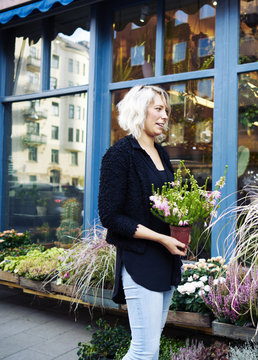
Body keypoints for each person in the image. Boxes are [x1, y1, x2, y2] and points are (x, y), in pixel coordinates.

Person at [98, 85, 187, 360]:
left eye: (167, 111)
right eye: (158, 109)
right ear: (140, 110)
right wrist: (161, 238)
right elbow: (110, 216)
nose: (164, 116)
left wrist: (182, 228)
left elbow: (169, 207)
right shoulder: (120, 154)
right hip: (140, 260)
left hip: (165, 259)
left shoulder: (162, 155)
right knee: (144, 351)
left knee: (150, 346)